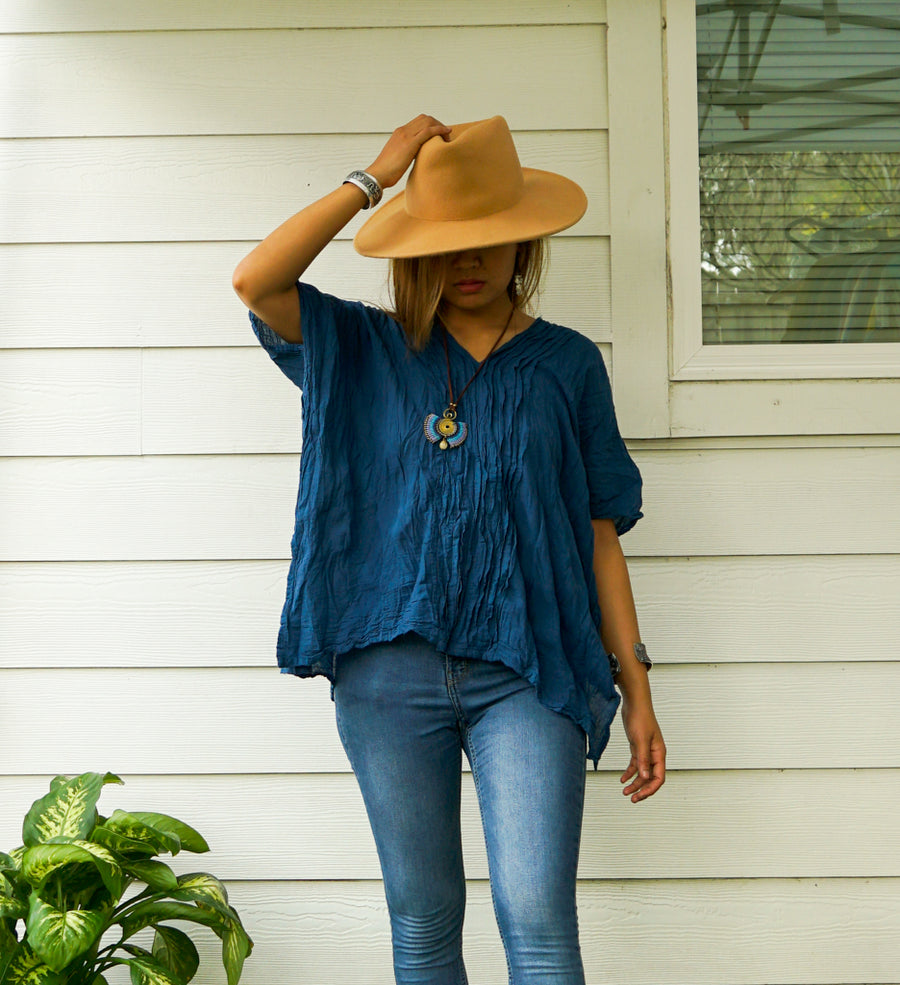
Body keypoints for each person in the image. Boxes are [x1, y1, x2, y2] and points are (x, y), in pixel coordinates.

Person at [233, 114, 666, 985]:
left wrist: (639, 686)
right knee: (423, 923)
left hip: (531, 667)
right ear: (412, 251)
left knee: (539, 923)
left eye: (489, 241)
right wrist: (377, 177)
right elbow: (256, 278)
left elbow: (598, 534)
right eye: (445, 244)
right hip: (387, 671)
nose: (469, 262)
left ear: (524, 242)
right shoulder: (360, 347)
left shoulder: (566, 366)